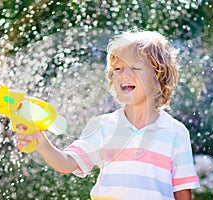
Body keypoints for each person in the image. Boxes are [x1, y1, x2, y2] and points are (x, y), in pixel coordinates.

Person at [16, 30, 200, 200]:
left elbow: (182, 192)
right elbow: (67, 164)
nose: (123, 74)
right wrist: (41, 142)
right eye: (118, 69)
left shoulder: (176, 133)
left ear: (158, 77)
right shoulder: (104, 127)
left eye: (135, 68)